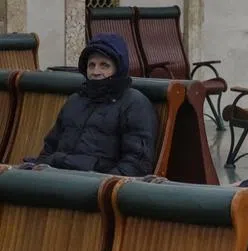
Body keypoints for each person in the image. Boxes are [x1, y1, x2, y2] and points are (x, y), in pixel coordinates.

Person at [23, 33, 157, 176]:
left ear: (118, 69)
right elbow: (49, 148)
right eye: (91, 65)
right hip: (55, 177)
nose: (95, 72)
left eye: (104, 65)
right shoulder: (75, 101)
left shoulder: (134, 103)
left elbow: (137, 163)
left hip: (94, 186)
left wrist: (103, 186)